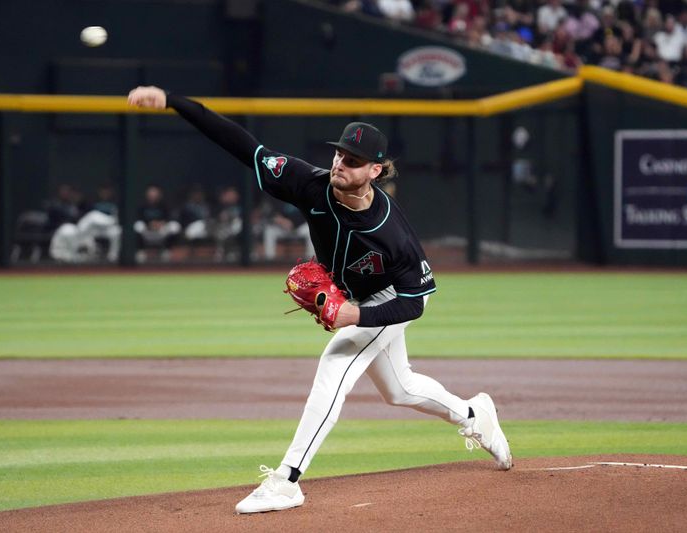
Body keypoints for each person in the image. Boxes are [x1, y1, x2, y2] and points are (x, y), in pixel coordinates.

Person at [128, 86, 513, 514]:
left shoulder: (393, 234)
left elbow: (415, 303)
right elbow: (240, 143)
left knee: (335, 368)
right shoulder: (309, 184)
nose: (339, 164)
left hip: (381, 300)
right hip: (354, 297)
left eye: (352, 160)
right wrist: (175, 102)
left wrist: (357, 314)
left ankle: (287, 479)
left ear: (376, 171)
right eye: (338, 154)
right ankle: (475, 417)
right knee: (400, 389)